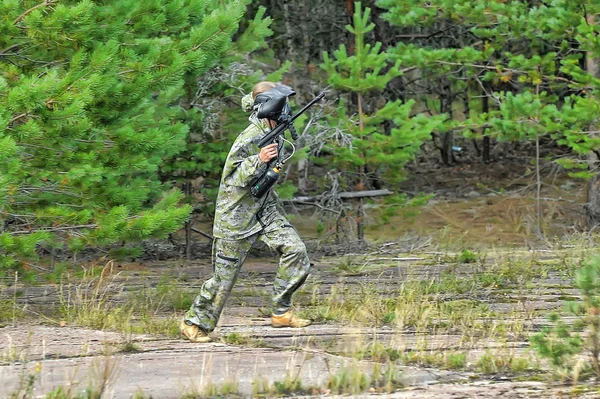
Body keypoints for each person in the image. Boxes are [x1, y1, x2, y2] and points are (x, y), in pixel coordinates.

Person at [179, 81, 312, 343]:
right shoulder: (250, 137)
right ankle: (193, 323)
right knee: (223, 280)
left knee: (296, 250)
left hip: (264, 210)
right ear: (271, 107)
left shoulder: (277, 132)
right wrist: (259, 160)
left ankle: (281, 311)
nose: (287, 108)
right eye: (282, 104)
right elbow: (233, 179)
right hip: (236, 217)